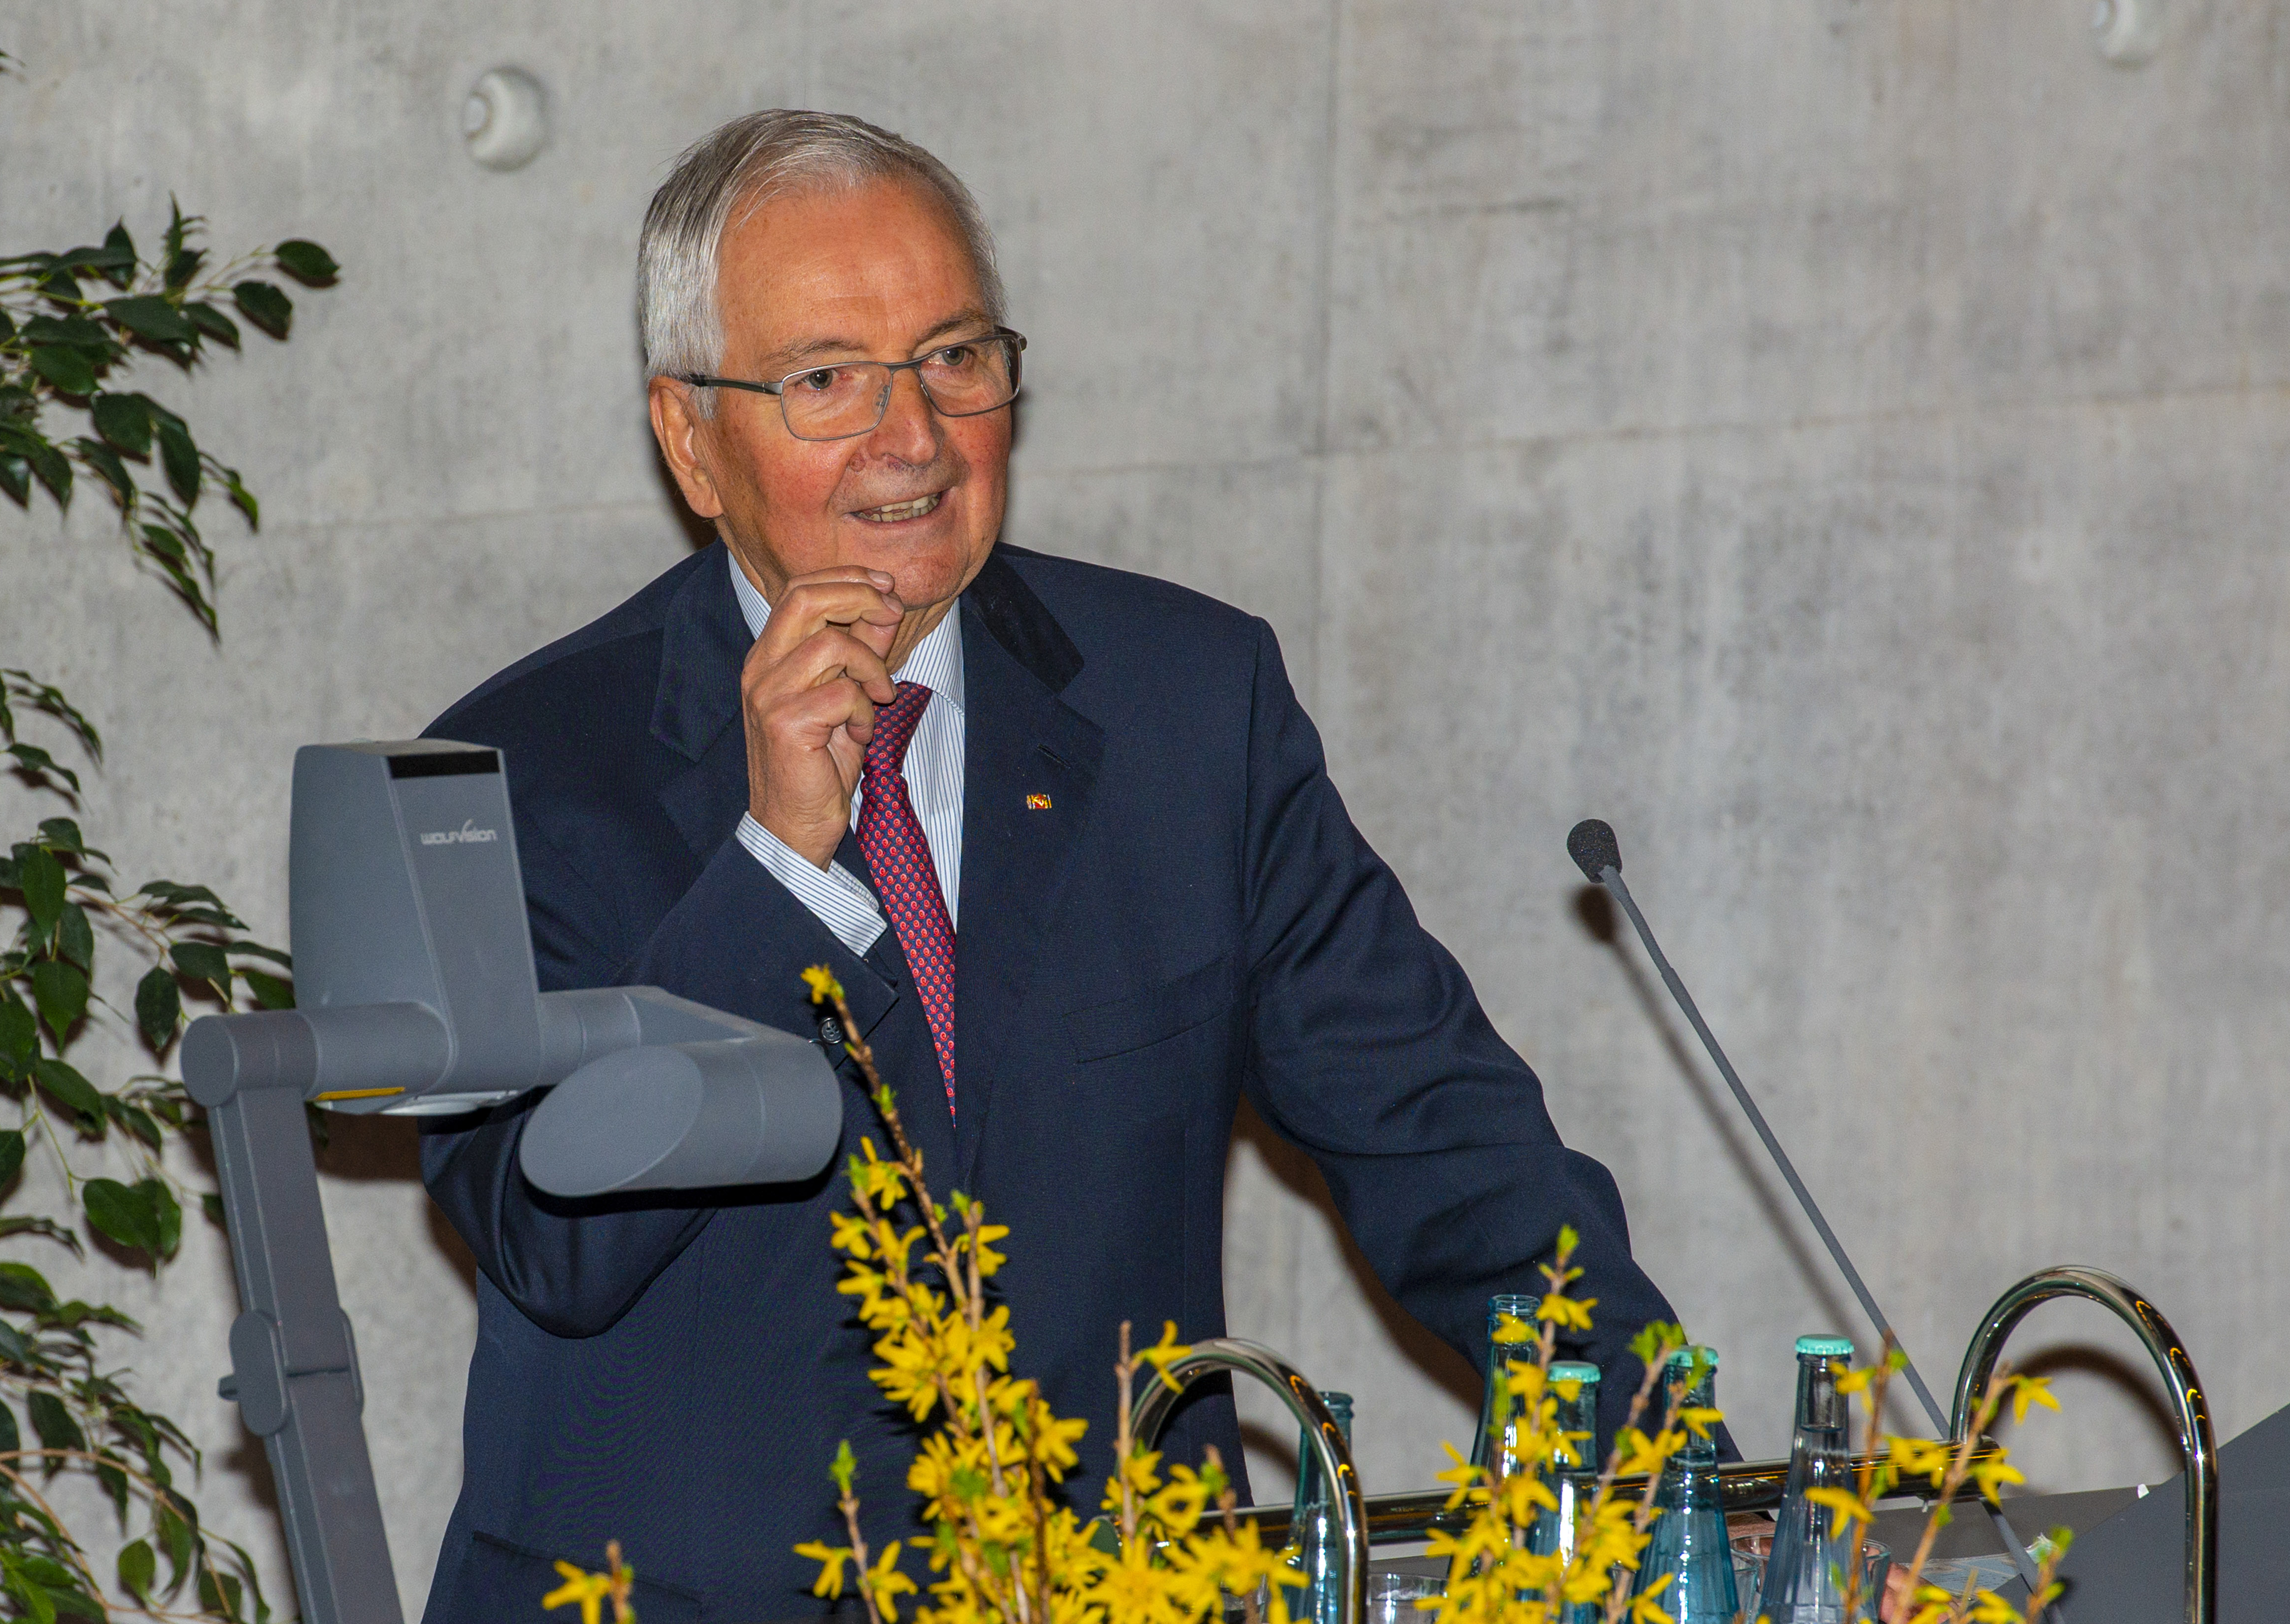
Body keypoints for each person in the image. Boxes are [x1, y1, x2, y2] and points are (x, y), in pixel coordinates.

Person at [419, 109, 1707, 1624]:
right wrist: (775, 867)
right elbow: (550, 1240)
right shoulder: (509, 775)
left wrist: (1677, 1493)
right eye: (828, 380)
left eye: (955, 358)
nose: (912, 438)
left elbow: (1450, 1148)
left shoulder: (1190, 710)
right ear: (692, 438)